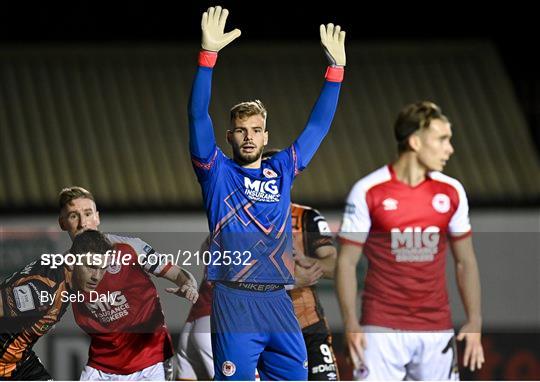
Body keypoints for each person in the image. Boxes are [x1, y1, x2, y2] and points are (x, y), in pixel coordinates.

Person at [188, 6, 346, 380]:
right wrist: (207, 58)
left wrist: (335, 72)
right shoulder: (215, 172)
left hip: (279, 300)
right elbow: (197, 115)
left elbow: (318, 126)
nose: (248, 136)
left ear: (265, 136)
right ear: (230, 136)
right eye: (240, 130)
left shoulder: (282, 169)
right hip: (235, 301)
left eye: (256, 129)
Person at [336, 101, 485, 380]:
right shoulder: (368, 190)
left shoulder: (452, 191)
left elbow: (466, 262)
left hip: (436, 328)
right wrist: (350, 323)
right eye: (442, 139)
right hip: (380, 328)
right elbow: (346, 263)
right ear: (415, 142)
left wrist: (474, 320)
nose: (450, 149)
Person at [175, 190, 340, 380]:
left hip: (305, 323)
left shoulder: (306, 217)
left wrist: (307, 261)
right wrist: (288, 279)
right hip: (250, 322)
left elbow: (335, 265)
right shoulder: (241, 216)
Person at [57, 186, 198, 380]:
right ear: (62, 223)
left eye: (88, 214)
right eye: (73, 216)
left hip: (150, 360)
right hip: (101, 367)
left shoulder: (130, 248)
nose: (82, 223)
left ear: (97, 217)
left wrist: (189, 284)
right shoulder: (63, 268)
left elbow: (178, 274)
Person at [0, 230, 112, 380]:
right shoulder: (44, 291)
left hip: (19, 360)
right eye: (91, 266)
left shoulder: (63, 271)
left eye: (102, 268)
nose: (96, 277)